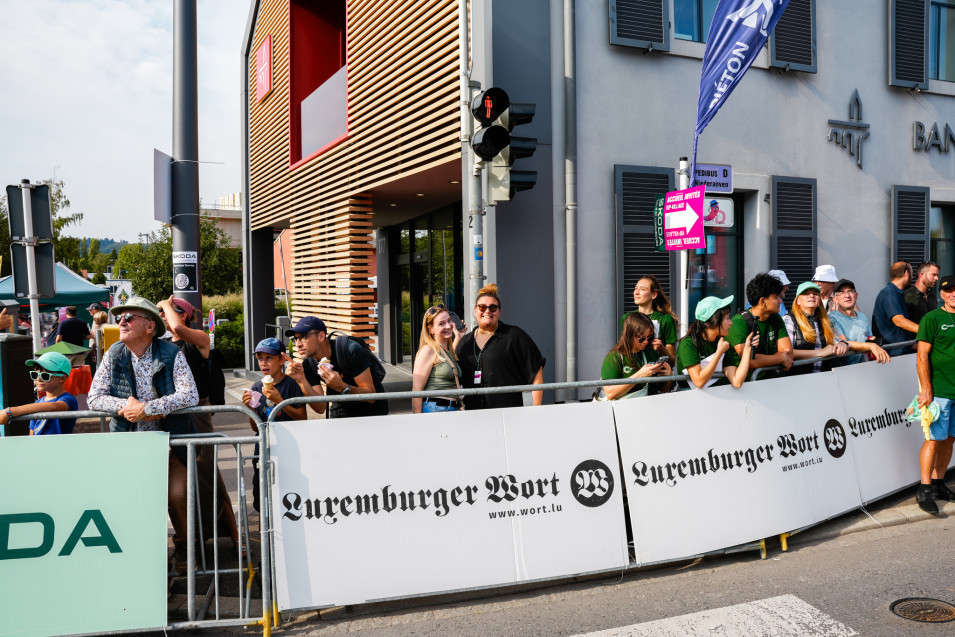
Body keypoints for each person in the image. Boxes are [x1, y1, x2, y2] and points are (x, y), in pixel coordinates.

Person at [87, 296, 199, 570]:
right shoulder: (114, 353)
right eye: (119, 318)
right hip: (129, 446)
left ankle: (185, 552)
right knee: (134, 502)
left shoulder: (171, 352)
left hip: (169, 443)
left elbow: (190, 394)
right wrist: (129, 407)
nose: (121, 322)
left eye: (129, 317)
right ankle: (143, 560)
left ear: (150, 326)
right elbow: (94, 398)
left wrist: (149, 408)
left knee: (178, 496)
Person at [157, 295, 239, 547]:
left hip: (196, 413)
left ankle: (234, 536)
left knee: (206, 475)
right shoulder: (163, 345)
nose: (163, 315)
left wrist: (165, 303)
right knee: (185, 479)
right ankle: (193, 541)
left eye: (169, 311)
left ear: (184, 315)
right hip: (172, 413)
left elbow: (179, 329)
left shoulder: (199, 339)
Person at [456, 283, 546, 409]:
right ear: (475, 310)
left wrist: (536, 409)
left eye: (493, 308)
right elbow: (452, 373)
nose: (487, 311)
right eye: (482, 307)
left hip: (509, 412)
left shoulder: (514, 335)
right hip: (474, 414)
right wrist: (457, 339)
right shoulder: (465, 342)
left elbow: (535, 371)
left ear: (499, 311)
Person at [242, 338, 306, 511]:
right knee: (262, 499)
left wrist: (279, 401)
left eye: (269, 358)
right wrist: (251, 409)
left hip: (288, 449)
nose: (264, 363)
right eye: (260, 358)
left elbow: (302, 418)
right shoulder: (256, 387)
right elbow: (255, 427)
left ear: (282, 360)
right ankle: (265, 527)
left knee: (289, 497)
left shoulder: (291, 384)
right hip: (263, 449)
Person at [284, 316, 387, 418]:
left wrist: (343, 387)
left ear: (321, 336)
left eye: (303, 337)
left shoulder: (350, 350)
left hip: (372, 413)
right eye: (295, 339)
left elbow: (371, 396)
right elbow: (320, 408)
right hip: (341, 413)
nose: (298, 344)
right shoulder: (309, 363)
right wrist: (301, 380)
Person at [914, 274, 955, 514]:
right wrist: (926, 388)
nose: (953, 294)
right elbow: (921, 356)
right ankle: (925, 489)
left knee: (949, 439)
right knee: (933, 439)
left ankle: (939, 484)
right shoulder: (932, 318)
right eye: (948, 290)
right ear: (941, 294)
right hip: (939, 391)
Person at [726, 273, 794, 378]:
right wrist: (781, 358)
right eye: (776, 297)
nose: (780, 301)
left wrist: (761, 359)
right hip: (742, 384)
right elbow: (749, 360)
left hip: (768, 381)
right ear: (763, 301)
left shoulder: (775, 317)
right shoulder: (738, 322)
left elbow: (788, 352)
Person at [677, 296, 753, 389]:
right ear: (714, 320)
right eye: (727, 318)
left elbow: (736, 382)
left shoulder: (724, 343)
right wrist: (719, 353)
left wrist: (747, 350)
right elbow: (699, 382)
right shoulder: (688, 344)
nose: (731, 322)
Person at [0, 352, 78, 435]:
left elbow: (54, 407)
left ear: (62, 378)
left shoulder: (68, 399)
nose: (38, 379)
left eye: (45, 375)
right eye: (35, 374)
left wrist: (10, 412)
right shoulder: (37, 403)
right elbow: (32, 434)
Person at [599, 312, 671, 399]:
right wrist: (639, 376)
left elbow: (663, 390)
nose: (646, 342)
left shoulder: (650, 353)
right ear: (630, 335)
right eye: (641, 339)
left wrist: (668, 377)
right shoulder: (615, 357)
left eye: (649, 337)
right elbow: (610, 394)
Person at [782, 282, 850, 373]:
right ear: (798, 301)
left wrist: (843, 344)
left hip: (824, 377)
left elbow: (838, 341)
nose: (811, 296)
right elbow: (787, 352)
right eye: (806, 293)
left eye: (815, 294)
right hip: (799, 378)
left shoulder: (825, 321)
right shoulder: (789, 319)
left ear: (819, 301)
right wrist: (820, 352)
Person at [412, 304, 465, 413]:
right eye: (441, 323)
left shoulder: (445, 350)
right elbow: (417, 389)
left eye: (449, 320)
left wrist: (458, 337)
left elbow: (448, 361)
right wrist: (417, 419)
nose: (448, 326)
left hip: (450, 408)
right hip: (435, 409)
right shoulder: (428, 350)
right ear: (431, 329)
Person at [828, 279, 890, 365]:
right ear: (835, 299)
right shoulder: (831, 319)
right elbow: (843, 343)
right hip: (843, 369)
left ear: (856, 295)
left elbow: (869, 339)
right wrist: (871, 345)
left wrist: (872, 341)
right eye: (841, 293)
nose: (847, 295)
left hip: (864, 366)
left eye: (850, 291)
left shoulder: (862, 317)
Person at [621, 275, 679, 360]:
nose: (636, 292)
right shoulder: (627, 318)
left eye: (642, 289)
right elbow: (623, 349)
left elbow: (672, 361)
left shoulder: (666, 320)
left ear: (654, 294)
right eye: (636, 288)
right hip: (633, 366)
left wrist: (662, 350)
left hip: (656, 367)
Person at [872, 261, 920, 353]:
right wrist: (926, 331)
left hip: (899, 350)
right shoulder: (889, 293)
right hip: (893, 353)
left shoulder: (896, 293)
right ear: (906, 273)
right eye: (912, 273)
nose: (913, 277)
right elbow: (899, 321)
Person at [904, 260, 939, 325]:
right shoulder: (907, 296)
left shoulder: (932, 296)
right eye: (933, 275)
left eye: (937, 275)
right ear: (922, 275)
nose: (937, 278)